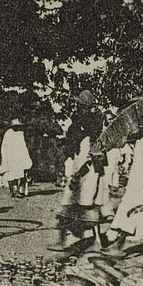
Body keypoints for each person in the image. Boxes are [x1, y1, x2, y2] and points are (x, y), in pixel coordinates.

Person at [50, 91, 108, 252]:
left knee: (77, 204)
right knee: (82, 205)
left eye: (80, 105)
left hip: (87, 171)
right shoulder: (84, 128)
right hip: (84, 169)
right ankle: (94, 241)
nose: (78, 108)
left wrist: (79, 174)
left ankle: (68, 241)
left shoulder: (90, 132)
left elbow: (92, 157)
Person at [105, 118, 143, 251]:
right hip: (136, 180)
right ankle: (123, 234)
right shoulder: (142, 139)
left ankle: (138, 235)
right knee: (130, 205)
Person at [0, 118, 33, 198]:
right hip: (10, 157)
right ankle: (14, 190)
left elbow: (23, 146)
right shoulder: (8, 134)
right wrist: (4, 157)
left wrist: (25, 158)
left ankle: (19, 190)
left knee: (20, 174)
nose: (17, 128)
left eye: (18, 126)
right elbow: (4, 146)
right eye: (15, 126)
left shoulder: (20, 134)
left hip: (19, 157)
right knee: (11, 174)